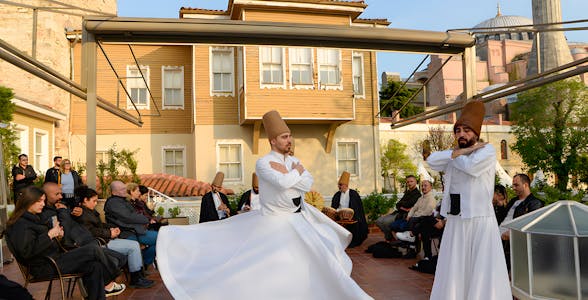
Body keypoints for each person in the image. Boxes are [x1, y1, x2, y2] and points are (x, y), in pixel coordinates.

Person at [156, 110, 372, 299]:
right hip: (274, 222)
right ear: (273, 141)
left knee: (317, 262)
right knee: (262, 268)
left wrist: (292, 173)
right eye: (285, 137)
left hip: (297, 220)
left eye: (290, 136)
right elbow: (283, 182)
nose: (290, 140)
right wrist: (294, 174)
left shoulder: (292, 162)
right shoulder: (264, 163)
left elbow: (307, 183)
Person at [426, 101, 511, 300]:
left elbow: (471, 167)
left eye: (466, 131)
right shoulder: (455, 154)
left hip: (479, 220)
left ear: (476, 133)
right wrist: (459, 152)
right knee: (454, 268)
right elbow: (431, 160)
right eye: (458, 131)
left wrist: (456, 155)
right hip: (456, 221)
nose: (461, 135)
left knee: (481, 271)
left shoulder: (487, 151)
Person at [4, 186, 126, 299]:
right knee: (92, 249)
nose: (42, 204)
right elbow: (27, 251)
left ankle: (103, 291)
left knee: (95, 265)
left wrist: (58, 236)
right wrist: (50, 234)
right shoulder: (21, 224)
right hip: (44, 266)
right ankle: (111, 281)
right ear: (28, 201)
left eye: (43, 201)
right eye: (39, 201)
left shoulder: (33, 218)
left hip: (53, 259)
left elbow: (40, 243)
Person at [74, 185, 154, 289]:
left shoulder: (90, 211)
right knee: (133, 246)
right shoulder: (80, 213)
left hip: (103, 239)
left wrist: (112, 228)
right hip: (98, 243)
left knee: (133, 245)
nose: (96, 203)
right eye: (94, 201)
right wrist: (109, 233)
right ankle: (136, 278)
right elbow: (90, 231)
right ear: (85, 200)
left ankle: (138, 276)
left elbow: (100, 225)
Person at [104, 181, 158, 269]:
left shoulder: (122, 201)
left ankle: (144, 263)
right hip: (127, 232)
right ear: (114, 192)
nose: (125, 190)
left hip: (136, 231)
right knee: (160, 238)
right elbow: (129, 217)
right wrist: (146, 219)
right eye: (122, 189)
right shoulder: (114, 203)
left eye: (125, 188)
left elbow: (133, 216)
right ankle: (139, 269)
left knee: (160, 240)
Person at [500, 174, 543, 270]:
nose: (513, 188)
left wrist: (513, 233)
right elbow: (503, 218)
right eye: (513, 185)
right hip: (499, 238)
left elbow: (532, 225)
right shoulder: (513, 201)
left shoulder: (535, 203)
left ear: (526, 185)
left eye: (516, 185)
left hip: (512, 242)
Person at [375, 175, 421, 241]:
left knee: (384, 222)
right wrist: (402, 206)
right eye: (408, 182)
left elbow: (407, 204)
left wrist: (402, 206)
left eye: (411, 181)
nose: (409, 183)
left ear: (416, 182)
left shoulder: (417, 194)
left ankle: (390, 238)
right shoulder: (408, 192)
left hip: (403, 215)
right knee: (378, 221)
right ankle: (390, 238)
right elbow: (398, 204)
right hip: (398, 212)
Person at [331, 171, 369, 248]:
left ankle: (353, 241)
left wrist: (350, 214)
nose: (339, 186)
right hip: (339, 215)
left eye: (340, 185)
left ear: (346, 185)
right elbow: (334, 207)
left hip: (352, 216)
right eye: (339, 185)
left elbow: (357, 208)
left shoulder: (354, 194)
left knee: (355, 223)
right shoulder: (337, 195)